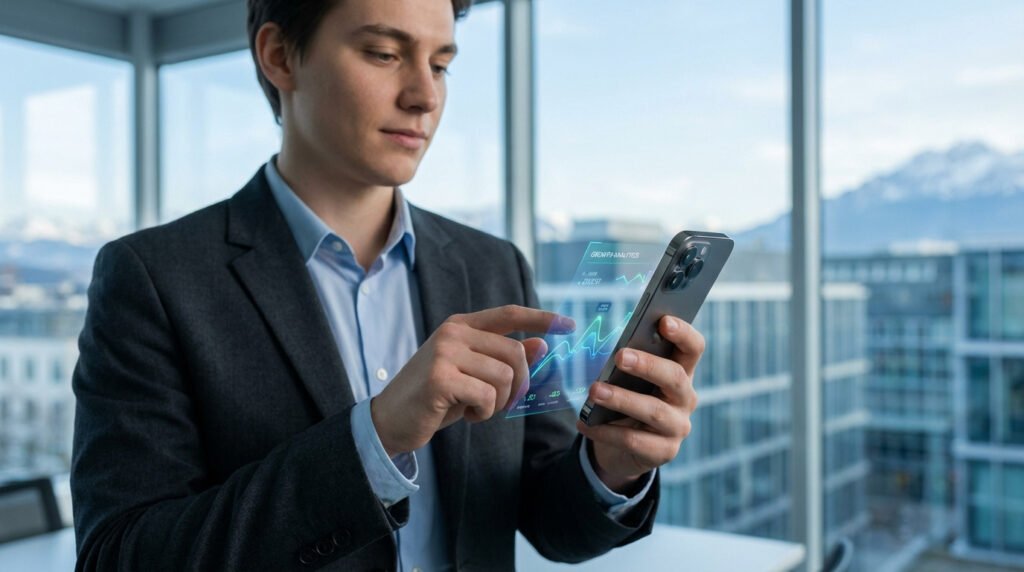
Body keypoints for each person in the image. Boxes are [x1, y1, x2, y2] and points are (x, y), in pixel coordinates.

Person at [70, 0, 703, 570]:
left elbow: (551, 524)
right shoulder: (154, 277)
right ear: (279, 56)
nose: (424, 97)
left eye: (442, 63)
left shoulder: (491, 266)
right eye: (384, 53)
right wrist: (374, 437)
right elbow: (119, 555)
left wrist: (613, 467)